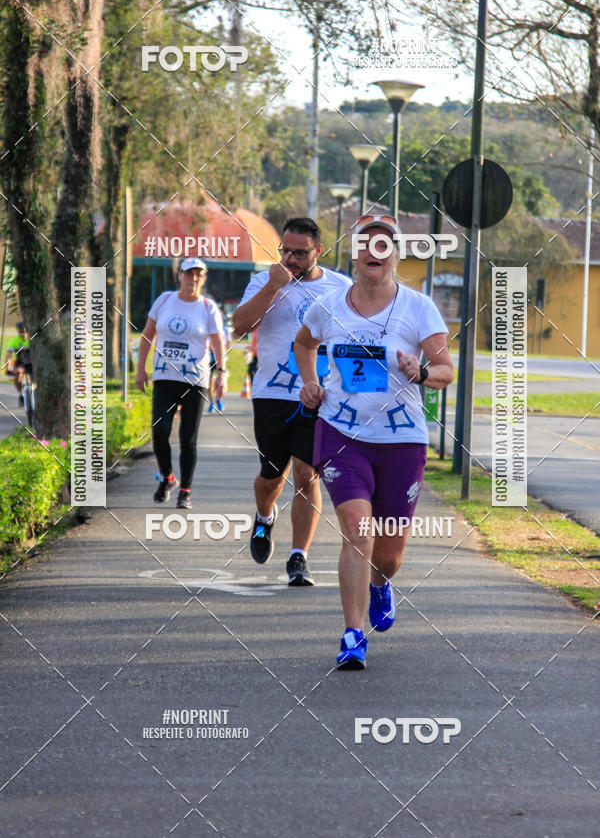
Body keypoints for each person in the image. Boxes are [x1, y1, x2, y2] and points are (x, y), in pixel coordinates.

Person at [294, 214, 453, 668]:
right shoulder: (329, 307)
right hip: (342, 434)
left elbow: (446, 370)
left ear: (396, 256)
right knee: (358, 532)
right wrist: (310, 383)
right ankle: (351, 635)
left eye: (384, 245)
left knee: (388, 554)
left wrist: (420, 372)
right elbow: (304, 345)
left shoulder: (418, 307)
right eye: (366, 244)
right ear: (355, 253)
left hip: (402, 441)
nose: (373, 253)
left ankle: (381, 584)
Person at [233, 217, 352, 586]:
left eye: (299, 253)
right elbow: (239, 327)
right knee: (272, 479)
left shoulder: (340, 288)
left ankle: (299, 556)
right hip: (271, 394)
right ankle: (264, 516)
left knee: (306, 473)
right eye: (285, 250)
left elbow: (351, 341)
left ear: (318, 251)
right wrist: (273, 286)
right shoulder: (265, 279)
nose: (290, 259)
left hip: (319, 396)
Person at [135, 258, 226, 509]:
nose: (193, 279)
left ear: (203, 278)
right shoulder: (165, 300)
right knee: (160, 431)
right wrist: (140, 368)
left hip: (195, 381)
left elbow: (218, 343)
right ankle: (167, 477)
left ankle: (185, 490)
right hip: (165, 378)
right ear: (180, 276)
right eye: (188, 274)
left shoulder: (208, 308)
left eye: (198, 274)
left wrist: (221, 373)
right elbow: (147, 335)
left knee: (188, 439)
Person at [5, 321, 32, 407]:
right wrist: (8, 367)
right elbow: (9, 357)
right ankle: (21, 394)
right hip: (21, 363)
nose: (23, 334)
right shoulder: (14, 340)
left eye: (25, 332)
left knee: (33, 380)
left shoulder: (32, 339)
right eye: (21, 332)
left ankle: (35, 396)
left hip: (32, 363)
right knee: (16, 377)